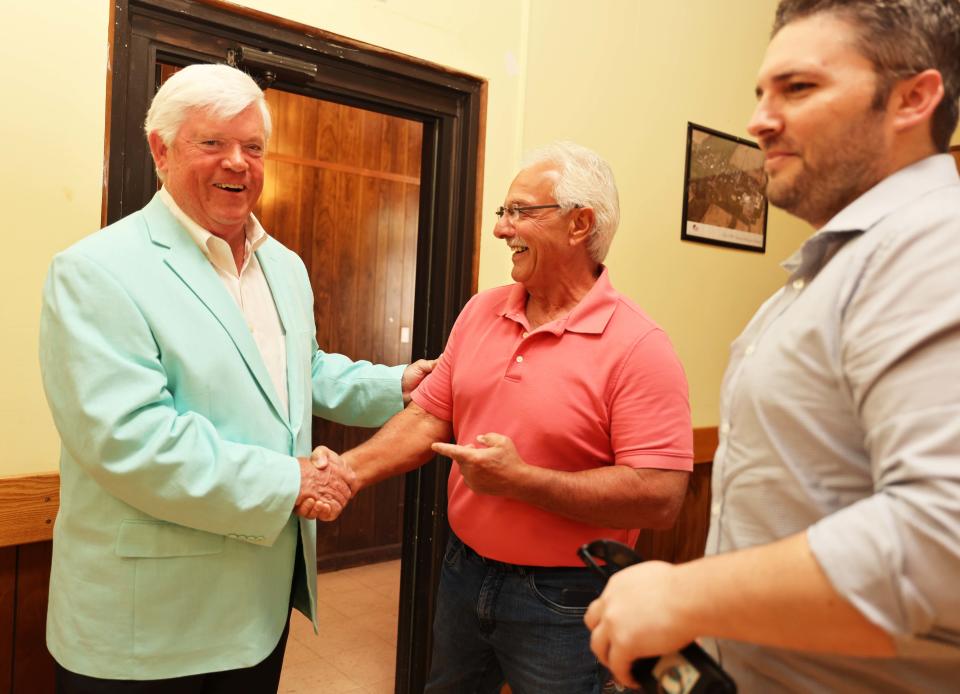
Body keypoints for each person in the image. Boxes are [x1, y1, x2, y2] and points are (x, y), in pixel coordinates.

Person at [585, 1, 960, 690]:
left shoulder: (935, 246)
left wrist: (686, 596)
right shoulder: (843, 263)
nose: (759, 118)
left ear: (914, 98)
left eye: (799, 87)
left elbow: (943, 543)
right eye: (760, 91)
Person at [39, 63, 432, 691]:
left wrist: (402, 385)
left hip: (258, 613)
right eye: (212, 143)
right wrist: (294, 479)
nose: (238, 162)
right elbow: (130, 440)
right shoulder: (96, 271)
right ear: (160, 150)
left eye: (253, 146)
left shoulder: (284, 266)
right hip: (148, 627)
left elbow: (300, 373)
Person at [339, 141, 693, 693]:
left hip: (567, 598)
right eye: (503, 212)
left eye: (521, 211)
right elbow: (430, 415)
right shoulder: (482, 309)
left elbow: (662, 496)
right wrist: (346, 473)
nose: (502, 229)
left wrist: (523, 482)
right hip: (464, 571)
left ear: (580, 225)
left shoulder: (639, 346)